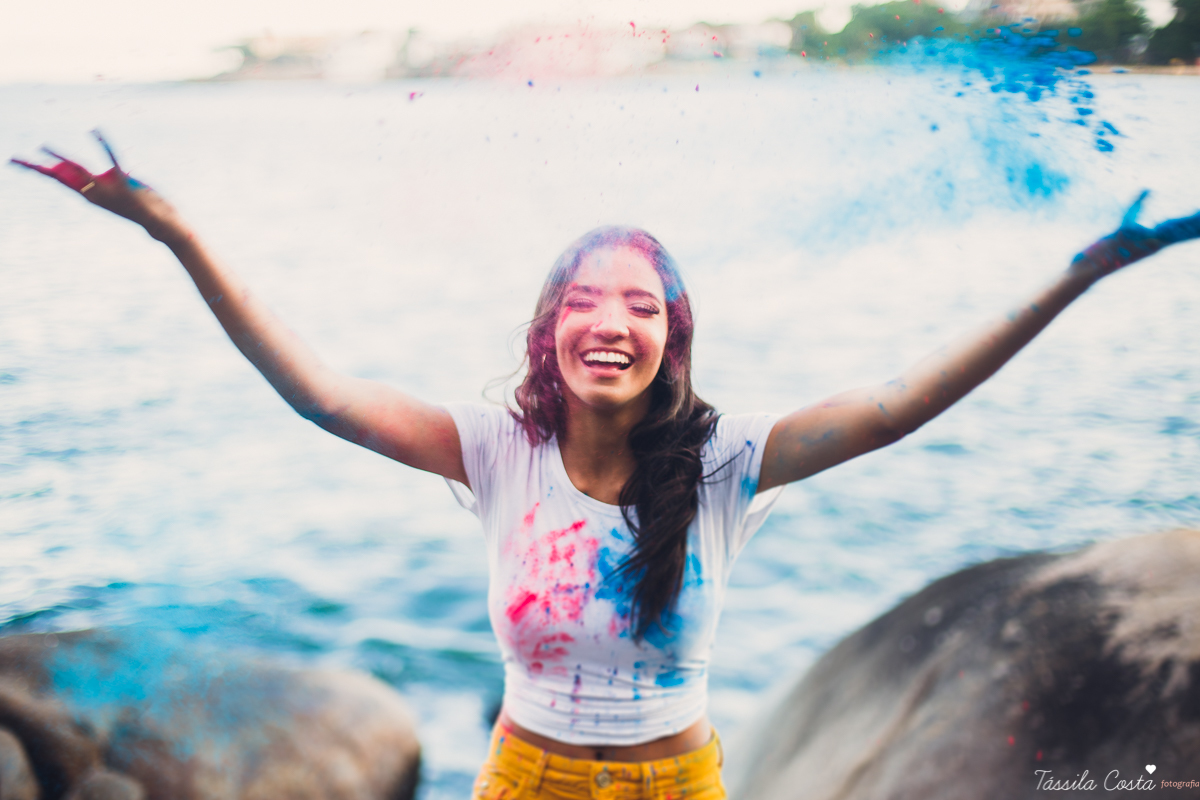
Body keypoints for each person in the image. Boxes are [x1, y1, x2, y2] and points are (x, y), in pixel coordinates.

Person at [11, 133, 1200, 800]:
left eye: (640, 302)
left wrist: (1076, 276)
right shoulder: (497, 449)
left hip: (674, 782)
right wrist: (178, 232)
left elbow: (898, 404)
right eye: (585, 298)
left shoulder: (729, 460)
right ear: (550, 330)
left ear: (671, 338)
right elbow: (319, 393)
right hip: (520, 775)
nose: (611, 320)